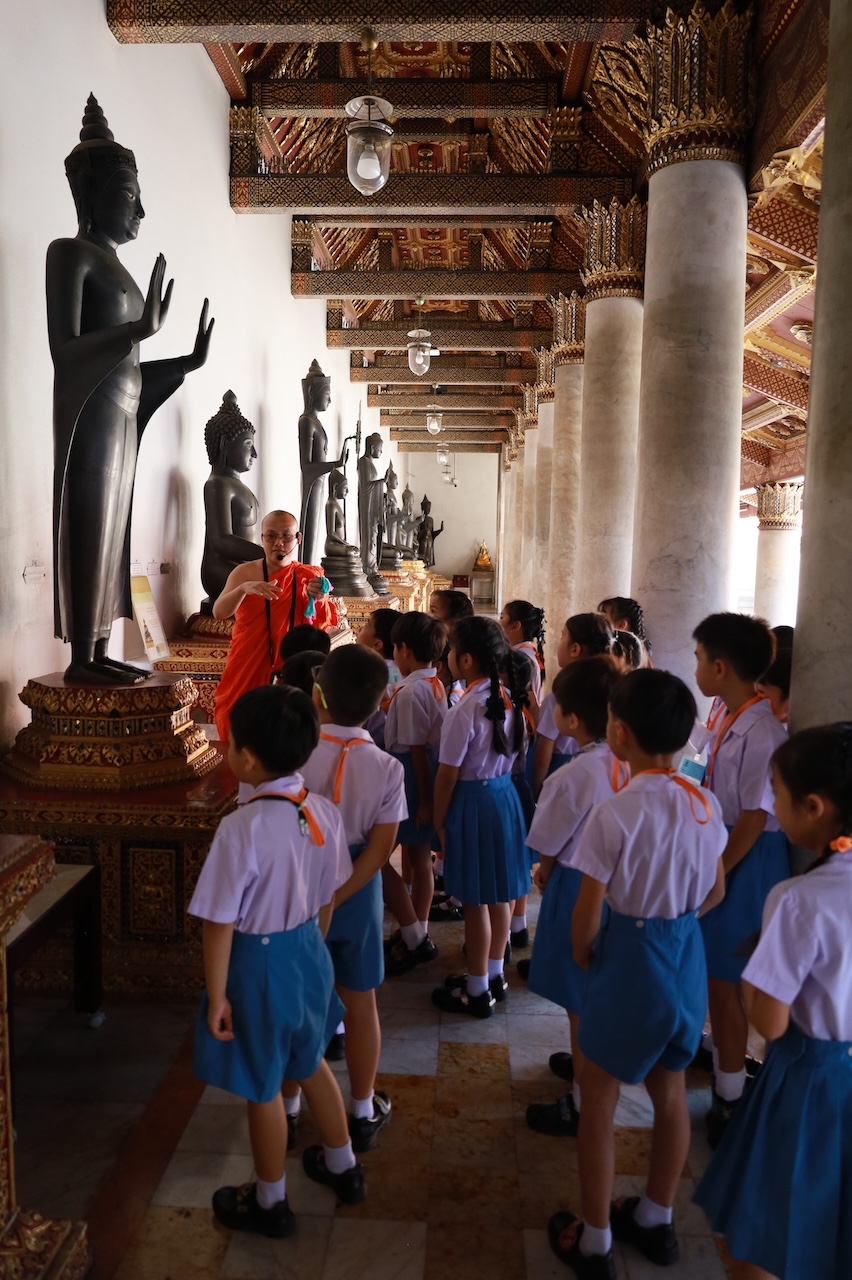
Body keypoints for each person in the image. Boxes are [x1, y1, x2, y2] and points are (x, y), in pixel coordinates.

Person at [547, 670, 726, 1277]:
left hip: (630, 955)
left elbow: (587, 911)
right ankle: (655, 1216)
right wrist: (677, 921)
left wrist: (586, 954)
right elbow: (716, 890)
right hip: (685, 955)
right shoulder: (705, 803)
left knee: (598, 1099)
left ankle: (595, 1240)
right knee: (669, 1092)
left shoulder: (616, 811)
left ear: (619, 732)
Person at [188, 685, 365, 1239]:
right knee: (309, 1062)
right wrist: (311, 946)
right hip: (309, 952)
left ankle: (270, 1202)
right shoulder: (323, 811)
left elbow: (219, 922)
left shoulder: (240, 828)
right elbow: (330, 894)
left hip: (259, 968)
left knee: (263, 1085)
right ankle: (344, 1166)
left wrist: (218, 995)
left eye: (230, 743)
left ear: (248, 758)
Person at [49, 95, 214, 683]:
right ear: (91, 198)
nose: (140, 210)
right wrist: (137, 330)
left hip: (122, 414)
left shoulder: (119, 270)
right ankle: (80, 659)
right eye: (128, 196)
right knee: (89, 521)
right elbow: (64, 351)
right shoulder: (70, 254)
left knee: (114, 528)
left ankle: (99, 650)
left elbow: (134, 370)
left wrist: (185, 362)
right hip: (89, 412)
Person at [694, 723, 852, 1280]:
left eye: (777, 795)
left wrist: (754, 976)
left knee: (764, 1234)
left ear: (813, 807)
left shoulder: (798, 899)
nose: (772, 807)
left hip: (809, 1081)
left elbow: (770, 1022)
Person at [293, 646, 407, 1154]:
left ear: (317, 695)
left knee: (300, 1001)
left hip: (300, 886)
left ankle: (290, 1108)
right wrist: (338, 895)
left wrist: (320, 896)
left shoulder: (296, 754)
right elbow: (382, 849)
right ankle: (361, 1108)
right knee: (361, 1003)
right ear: (380, 703)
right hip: (358, 889)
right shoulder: (387, 766)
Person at [693, 612, 789, 1147]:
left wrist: (717, 873)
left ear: (721, 667)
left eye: (699, 658)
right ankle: (725, 1070)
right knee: (719, 980)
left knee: (729, 981)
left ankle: (730, 1096)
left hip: (746, 858)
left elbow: (754, 816)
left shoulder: (763, 728)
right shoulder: (734, 715)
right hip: (728, 849)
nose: (697, 668)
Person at [524, 658, 623, 1139]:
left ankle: (584, 1102)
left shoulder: (573, 774)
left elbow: (550, 838)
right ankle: (589, 1069)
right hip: (622, 891)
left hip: (579, 887)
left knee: (580, 999)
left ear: (572, 718)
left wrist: (544, 872)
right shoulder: (631, 762)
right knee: (598, 990)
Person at [431, 617, 529, 1018]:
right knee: (499, 894)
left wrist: (439, 820)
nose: (449, 657)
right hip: (504, 798)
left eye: (452, 651)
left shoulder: (465, 709)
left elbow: (447, 774)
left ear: (467, 659)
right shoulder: (509, 698)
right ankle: (494, 975)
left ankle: (476, 991)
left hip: (474, 803)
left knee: (474, 901)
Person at [212, 510, 337, 743]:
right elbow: (219, 612)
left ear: (298, 538)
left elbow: (320, 625)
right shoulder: (244, 572)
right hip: (249, 660)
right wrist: (243, 589)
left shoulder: (309, 576)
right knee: (237, 720)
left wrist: (318, 598)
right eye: (271, 536)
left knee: (286, 731)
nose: (278, 543)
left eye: (286, 536)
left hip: (292, 665)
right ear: (262, 538)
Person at [383, 613, 448, 975]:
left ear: (404, 650)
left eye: (395, 648)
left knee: (377, 856)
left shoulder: (410, 694)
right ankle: (416, 930)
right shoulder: (433, 683)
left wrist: (424, 801)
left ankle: (414, 933)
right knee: (420, 858)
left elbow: (417, 751)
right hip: (420, 773)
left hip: (410, 777)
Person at [532, 614, 614, 799]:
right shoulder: (610, 689)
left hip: (558, 774)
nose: (558, 643)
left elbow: (543, 754)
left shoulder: (560, 697)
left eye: (562, 637)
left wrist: (536, 793)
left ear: (575, 649)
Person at [199, 391, 263, 613]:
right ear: (225, 443)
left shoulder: (238, 486)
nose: (254, 453)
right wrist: (264, 554)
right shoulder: (217, 485)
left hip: (245, 568)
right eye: (248, 445)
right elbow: (221, 540)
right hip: (221, 571)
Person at [298, 360, 347, 566]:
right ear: (312, 392)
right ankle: (305, 572)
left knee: (314, 537)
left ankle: (307, 571)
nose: (330, 400)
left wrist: (335, 464)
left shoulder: (316, 423)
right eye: (327, 395)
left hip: (319, 485)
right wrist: (335, 464)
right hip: (312, 484)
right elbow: (306, 466)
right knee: (308, 536)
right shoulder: (306, 421)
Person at [500, 599, 546, 707]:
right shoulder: (527, 652)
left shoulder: (520, 658)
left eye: (502, 617)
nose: (498, 622)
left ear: (515, 626)